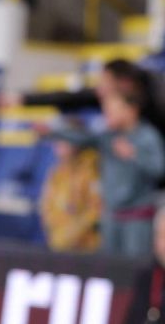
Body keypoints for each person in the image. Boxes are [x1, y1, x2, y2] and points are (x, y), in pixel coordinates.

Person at [47, 83, 165, 258]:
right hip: (110, 217)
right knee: (109, 268)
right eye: (106, 109)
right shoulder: (107, 136)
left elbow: (160, 170)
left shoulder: (147, 136)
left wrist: (135, 154)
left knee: (133, 270)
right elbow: (82, 138)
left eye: (112, 109)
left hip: (137, 219)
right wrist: (53, 131)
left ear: (131, 109)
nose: (106, 114)